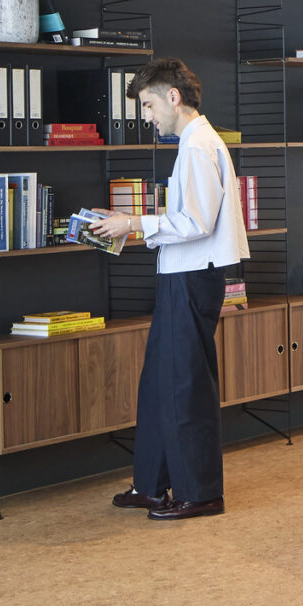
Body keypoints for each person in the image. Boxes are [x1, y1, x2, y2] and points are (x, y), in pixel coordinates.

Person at [88, 58, 247, 520]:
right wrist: (132, 227)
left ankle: (201, 493)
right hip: (182, 273)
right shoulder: (194, 144)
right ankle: (153, 485)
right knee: (161, 381)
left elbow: (196, 222)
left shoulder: (197, 146)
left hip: (193, 275)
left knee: (185, 386)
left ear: (173, 98)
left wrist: (133, 222)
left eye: (149, 103)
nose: (146, 115)